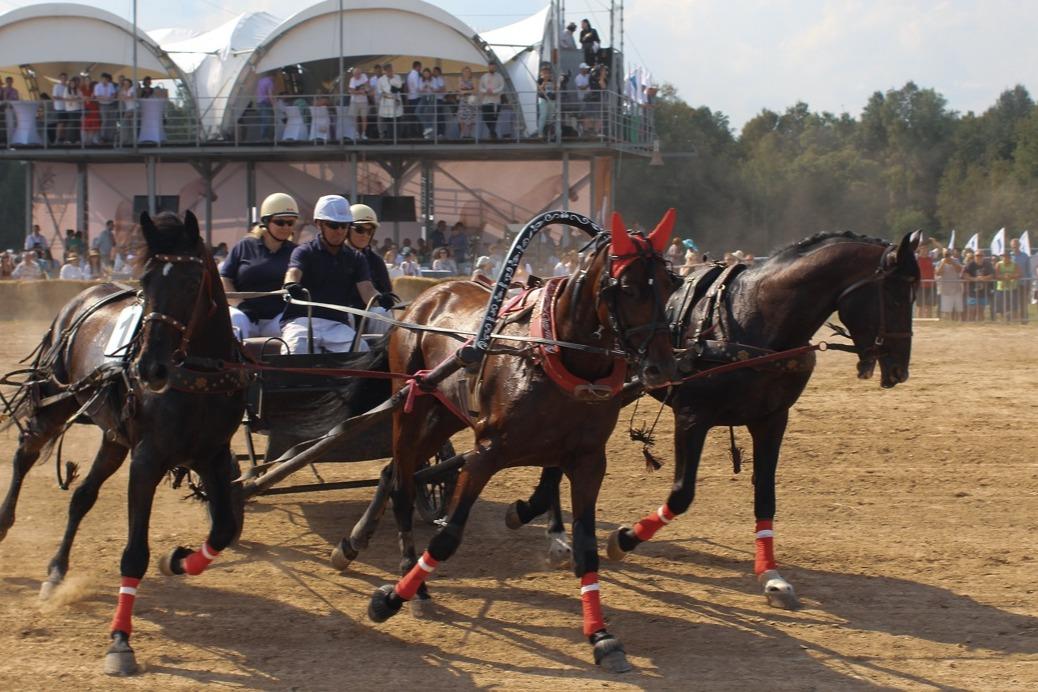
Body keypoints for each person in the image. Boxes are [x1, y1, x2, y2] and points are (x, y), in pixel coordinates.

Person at [281, 195, 394, 354]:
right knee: (294, 351)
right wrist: (291, 285)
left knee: (360, 349)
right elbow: (293, 272)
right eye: (334, 225)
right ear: (319, 224)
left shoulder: (356, 258)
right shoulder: (304, 252)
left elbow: (367, 290)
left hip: (336, 324)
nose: (340, 231)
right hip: (301, 322)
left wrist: (379, 299)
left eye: (344, 226)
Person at [220, 193, 300, 341]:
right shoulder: (243, 246)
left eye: (291, 223)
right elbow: (225, 278)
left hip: (278, 318)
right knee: (235, 321)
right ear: (266, 221)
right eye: (280, 222)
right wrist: (240, 305)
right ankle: (234, 363)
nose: (286, 227)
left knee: (296, 328)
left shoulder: (297, 252)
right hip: (244, 315)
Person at [478, 63, 505, 140]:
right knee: (486, 117)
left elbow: (502, 87)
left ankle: (492, 133)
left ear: (495, 68)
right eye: (491, 67)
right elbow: (480, 87)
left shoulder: (499, 76)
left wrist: (493, 91)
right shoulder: (484, 77)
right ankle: (492, 132)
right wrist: (486, 91)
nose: (492, 68)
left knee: (494, 118)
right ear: (488, 67)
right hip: (486, 100)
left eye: (493, 67)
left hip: (496, 101)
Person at [377, 63, 403, 140]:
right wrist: (385, 94)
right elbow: (379, 91)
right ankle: (390, 138)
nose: (390, 71)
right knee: (389, 121)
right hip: (386, 102)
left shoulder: (397, 77)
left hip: (396, 101)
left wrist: (392, 78)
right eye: (388, 70)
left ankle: (397, 138)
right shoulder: (381, 80)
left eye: (391, 70)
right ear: (385, 71)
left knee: (397, 120)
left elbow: (400, 86)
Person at [935, 249, 962, 320]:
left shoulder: (956, 260)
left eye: (948, 254)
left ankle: (955, 322)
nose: (947, 256)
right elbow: (938, 273)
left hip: (955, 288)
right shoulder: (940, 262)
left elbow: (959, 270)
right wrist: (943, 263)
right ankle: (946, 322)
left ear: (951, 254)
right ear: (943, 255)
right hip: (944, 290)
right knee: (945, 308)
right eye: (946, 254)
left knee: (955, 308)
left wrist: (952, 262)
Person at [1009, 237, 1030, 323]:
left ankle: (1024, 321)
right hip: (1011, 284)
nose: (1015, 248)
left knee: (1023, 303)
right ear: (1011, 246)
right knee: (1012, 303)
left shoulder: (1025, 256)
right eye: (1013, 246)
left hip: (1023, 283)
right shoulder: (1008, 256)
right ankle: (1014, 321)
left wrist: (1029, 282)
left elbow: (1028, 271)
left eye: (1016, 246)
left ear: (1019, 246)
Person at [93, 72, 118, 144]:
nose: (105, 80)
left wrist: (111, 97)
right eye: (103, 79)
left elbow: (114, 93)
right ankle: (103, 137)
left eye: (106, 79)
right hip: (103, 105)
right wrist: (105, 98)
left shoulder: (111, 85)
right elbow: (97, 96)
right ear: (101, 79)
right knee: (105, 121)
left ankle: (111, 137)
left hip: (111, 104)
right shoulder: (97, 86)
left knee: (112, 121)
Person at [994, 252, 1019, 320]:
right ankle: (1002, 322)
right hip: (1001, 289)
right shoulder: (998, 264)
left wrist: (1011, 276)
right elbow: (995, 275)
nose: (1004, 258)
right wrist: (1003, 276)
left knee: (1014, 307)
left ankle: (1014, 322)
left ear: (1009, 257)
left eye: (1006, 256)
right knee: (1000, 308)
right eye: (1003, 256)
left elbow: (1019, 274)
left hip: (1012, 288)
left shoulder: (1014, 264)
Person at [347, 66, 369, 141]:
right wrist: (360, 92)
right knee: (355, 118)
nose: (357, 75)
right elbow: (351, 91)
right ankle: (356, 133)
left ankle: (363, 134)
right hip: (354, 102)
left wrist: (363, 91)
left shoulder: (364, 76)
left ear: (361, 73)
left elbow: (367, 87)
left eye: (358, 74)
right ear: (353, 74)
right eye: (356, 74)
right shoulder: (352, 79)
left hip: (363, 101)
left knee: (364, 118)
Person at [456, 66, 478, 139]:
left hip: (471, 99)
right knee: (461, 115)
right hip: (463, 99)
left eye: (468, 71)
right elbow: (459, 91)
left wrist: (466, 91)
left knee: (471, 115)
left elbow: (475, 91)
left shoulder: (473, 79)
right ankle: (463, 133)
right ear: (462, 72)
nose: (466, 73)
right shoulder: (460, 79)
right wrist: (468, 90)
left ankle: (469, 134)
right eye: (465, 71)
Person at [405, 60, 423, 139]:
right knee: (418, 116)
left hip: (411, 97)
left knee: (412, 116)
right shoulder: (415, 74)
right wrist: (423, 90)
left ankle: (412, 133)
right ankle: (418, 133)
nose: (420, 69)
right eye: (420, 67)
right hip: (415, 97)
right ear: (417, 66)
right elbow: (417, 87)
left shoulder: (409, 74)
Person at [916, 246, 935, 318]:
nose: (925, 251)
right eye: (923, 250)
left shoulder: (930, 258)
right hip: (920, 285)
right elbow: (909, 253)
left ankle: (929, 321)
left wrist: (934, 242)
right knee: (920, 305)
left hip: (930, 285)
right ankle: (920, 321)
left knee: (929, 305)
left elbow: (940, 249)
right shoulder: (916, 258)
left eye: (926, 250)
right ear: (920, 251)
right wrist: (917, 247)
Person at [256, 72, 275, 141]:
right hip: (265, 102)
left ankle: (264, 137)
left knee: (263, 120)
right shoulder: (270, 82)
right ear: (273, 76)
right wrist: (273, 105)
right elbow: (270, 94)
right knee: (268, 121)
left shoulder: (261, 80)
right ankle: (265, 138)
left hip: (259, 102)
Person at [52, 73, 68, 144]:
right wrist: (63, 98)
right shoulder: (56, 86)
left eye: (65, 78)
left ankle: (63, 139)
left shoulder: (67, 87)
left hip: (67, 107)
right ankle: (57, 139)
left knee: (65, 124)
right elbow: (54, 97)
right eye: (62, 78)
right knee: (60, 123)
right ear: (60, 79)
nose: (64, 79)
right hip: (59, 107)